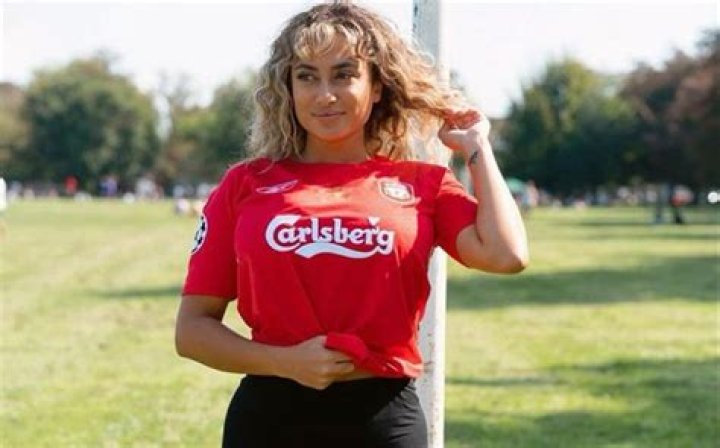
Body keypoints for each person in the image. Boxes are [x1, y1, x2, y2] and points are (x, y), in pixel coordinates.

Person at [175, 3, 528, 447]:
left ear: (376, 86)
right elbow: (192, 332)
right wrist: (285, 361)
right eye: (307, 76)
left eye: (344, 75)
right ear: (288, 88)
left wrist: (477, 147)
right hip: (269, 420)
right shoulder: (245, 185)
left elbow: (507, 254)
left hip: (384, 421)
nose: (325, 95)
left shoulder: (423, 184)